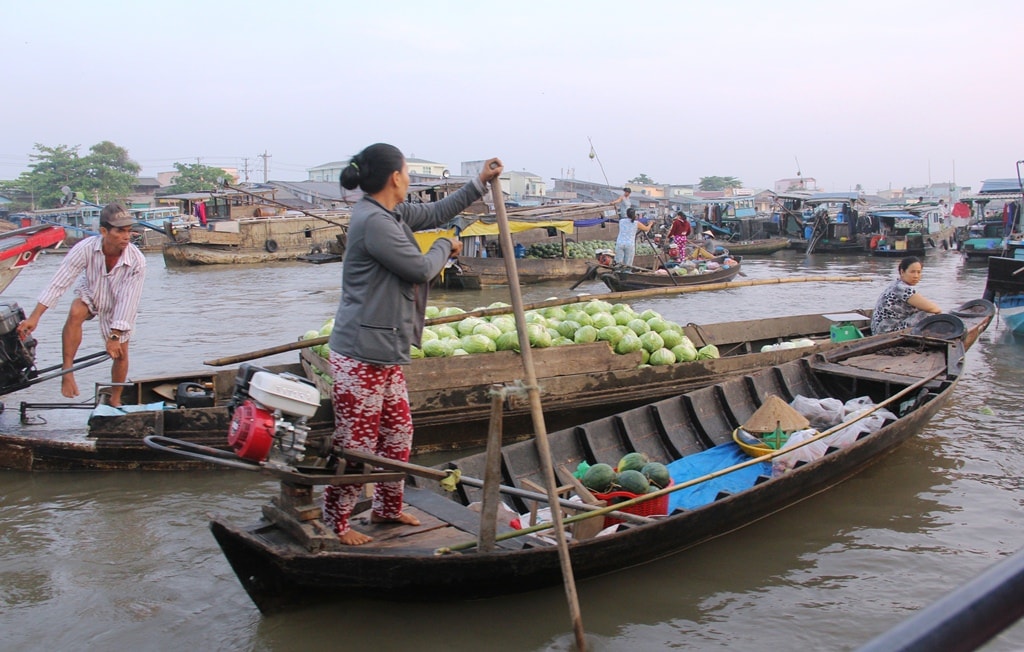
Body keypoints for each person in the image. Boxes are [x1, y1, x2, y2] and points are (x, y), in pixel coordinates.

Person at [323, 142, 503, 546]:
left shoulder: (392, 213)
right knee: (358, 445)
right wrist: (447, 246)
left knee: (398, 432)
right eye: (407, 172)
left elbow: (437, 212)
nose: (409, 179)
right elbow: (419, 268)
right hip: (360, 353)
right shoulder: (374, 222)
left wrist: (479, 183)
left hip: (385, 349)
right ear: (394, 178)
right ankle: (335, 522)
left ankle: (387, 507)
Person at [16, 203, 146, 407]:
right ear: (104, 231)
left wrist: (114, 336)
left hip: (118, 305)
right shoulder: (85, 249)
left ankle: (116, 399)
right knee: (76, 311)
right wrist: (35, 317)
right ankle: (67, 372)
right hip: (92, 291)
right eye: (120, 231)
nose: (126, 236)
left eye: (129, 231)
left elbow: (128, 301)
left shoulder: (137, 261)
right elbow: (59, 283)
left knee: (120, 351)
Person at [870, 256, 942, 334]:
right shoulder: (903, 289)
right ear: (902, 272)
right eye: (912, 272)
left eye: (919, 272)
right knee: (929, 314)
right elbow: (934, 309)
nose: (916, 276)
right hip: (887, 331)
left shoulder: (896, 285)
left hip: (880, 328)